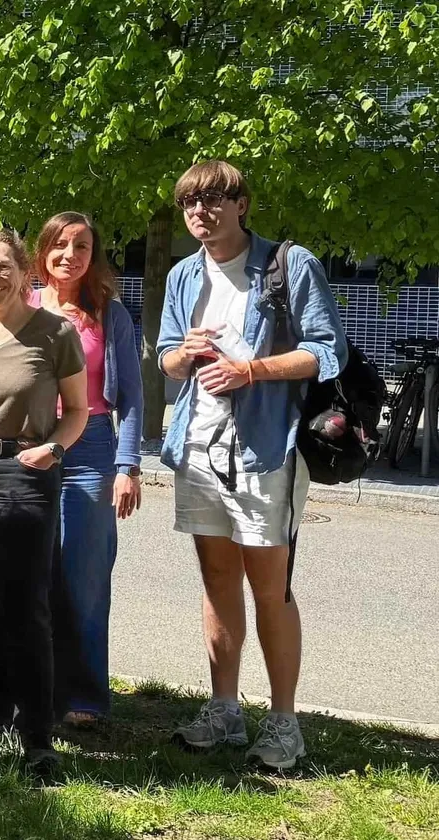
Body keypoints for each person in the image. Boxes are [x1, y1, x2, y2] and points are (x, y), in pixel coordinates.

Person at [157, 160, 346, 771]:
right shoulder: (184, 273)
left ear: (242, 205)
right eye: (191, 203)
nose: (201, 213)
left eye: (214, 200)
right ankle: (224, 707)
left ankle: (284, 720)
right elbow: (164, 354)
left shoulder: (290, 264)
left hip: (266, 448)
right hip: (199, 444)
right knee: (216, 580)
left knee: (270, 586)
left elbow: (326, 351)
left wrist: (252, 370)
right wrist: (180, 356)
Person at [0, 229, 90, 777]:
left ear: (24, 271)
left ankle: (37, 736)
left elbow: (77, 410)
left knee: (27, 601)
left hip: (27, 468)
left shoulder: (55, 332)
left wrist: (54, 447)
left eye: (3, 267)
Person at [29, 212, 144, 729]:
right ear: (44, 251)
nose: (69, 254)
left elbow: (132, 398)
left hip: (92, 449)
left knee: (85, 578)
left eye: (81, 245)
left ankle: (86, 696)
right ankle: (36, 688)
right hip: (29, 446)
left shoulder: (109, 312)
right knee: (31, 575)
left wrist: (128, 464)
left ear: (93, 254)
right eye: (60, 244)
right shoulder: (24, 305)